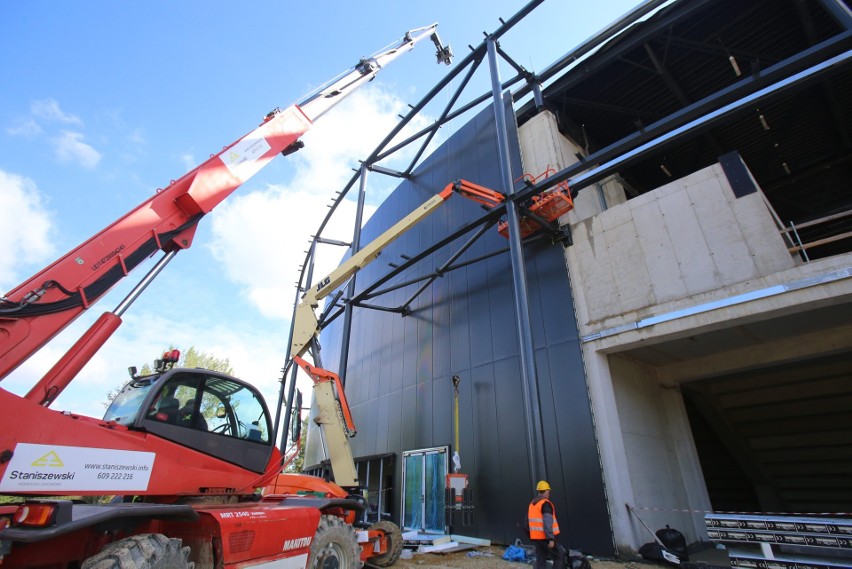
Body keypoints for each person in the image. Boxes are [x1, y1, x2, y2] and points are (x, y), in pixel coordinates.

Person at [528, 480, 567, 569]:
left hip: (536, 538)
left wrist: (532, 535)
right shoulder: (545, 504)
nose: (549, 493)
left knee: (540, 560)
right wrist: (550, 539)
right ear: (545, 492)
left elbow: (527, 522)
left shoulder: (532, 504)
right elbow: (547, 522)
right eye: (548, 491)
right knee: (559, 555)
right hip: (545, 537)